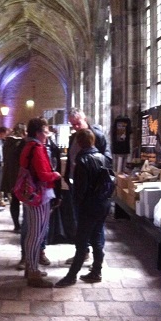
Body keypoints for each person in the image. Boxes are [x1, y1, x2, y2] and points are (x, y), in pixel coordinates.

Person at [55, 129, 112, 287]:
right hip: (103, 203)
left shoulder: (82, 161)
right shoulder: (103, 158)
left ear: (79, 143)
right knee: (97, 238)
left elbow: (81, 189)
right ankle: (96, 271)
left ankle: (71, 276)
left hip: (88, 207)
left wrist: (77, 204)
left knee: (81, 242)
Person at [64, 108, 112, 264]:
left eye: (77, 123)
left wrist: (94, 176)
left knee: (97, 226)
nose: (76, 127)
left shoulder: (97, 135)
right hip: (76, 184)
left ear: (84, 118)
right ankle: (83, 252)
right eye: (73, 125)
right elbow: (72, 159)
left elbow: (107, 160)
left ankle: (98, 257)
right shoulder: (74, 137)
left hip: (94, 189)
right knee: (79, 221)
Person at [19, 118, 61, 288]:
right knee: (36, 233)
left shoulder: (29, 146)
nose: (47, 134)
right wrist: (56, 175)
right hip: (38, 195)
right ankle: (33, 272)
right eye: (45, 131)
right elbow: (44, 174)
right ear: (37, 133)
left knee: (34, 232)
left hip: (33, 194)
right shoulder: (36, 148)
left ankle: (31, 267)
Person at [1, 123, 27, 231]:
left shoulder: (7, 142)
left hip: (9, 174)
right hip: (19, 174)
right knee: (25, 200)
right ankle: (24, 224)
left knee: (14, 201)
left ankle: (16, 225)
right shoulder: (20, 143)